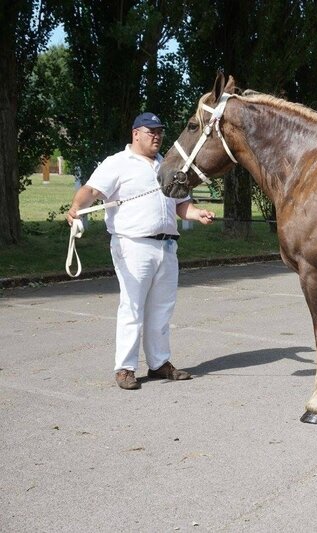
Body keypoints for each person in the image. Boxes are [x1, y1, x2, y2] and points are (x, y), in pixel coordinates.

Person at [67, 112, 216, 390]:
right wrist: (76, 208)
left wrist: (197, 214)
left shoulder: (168, 166)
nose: (157, 136)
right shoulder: (117, 163)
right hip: (133, 245)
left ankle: (159, 363)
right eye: (150, 131)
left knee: (162, 309)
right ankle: (125, 368)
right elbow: (91, 191)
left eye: (159, 131)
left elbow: (181, 204)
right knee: (132, 307)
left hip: (167, 246)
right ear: (136, 133)